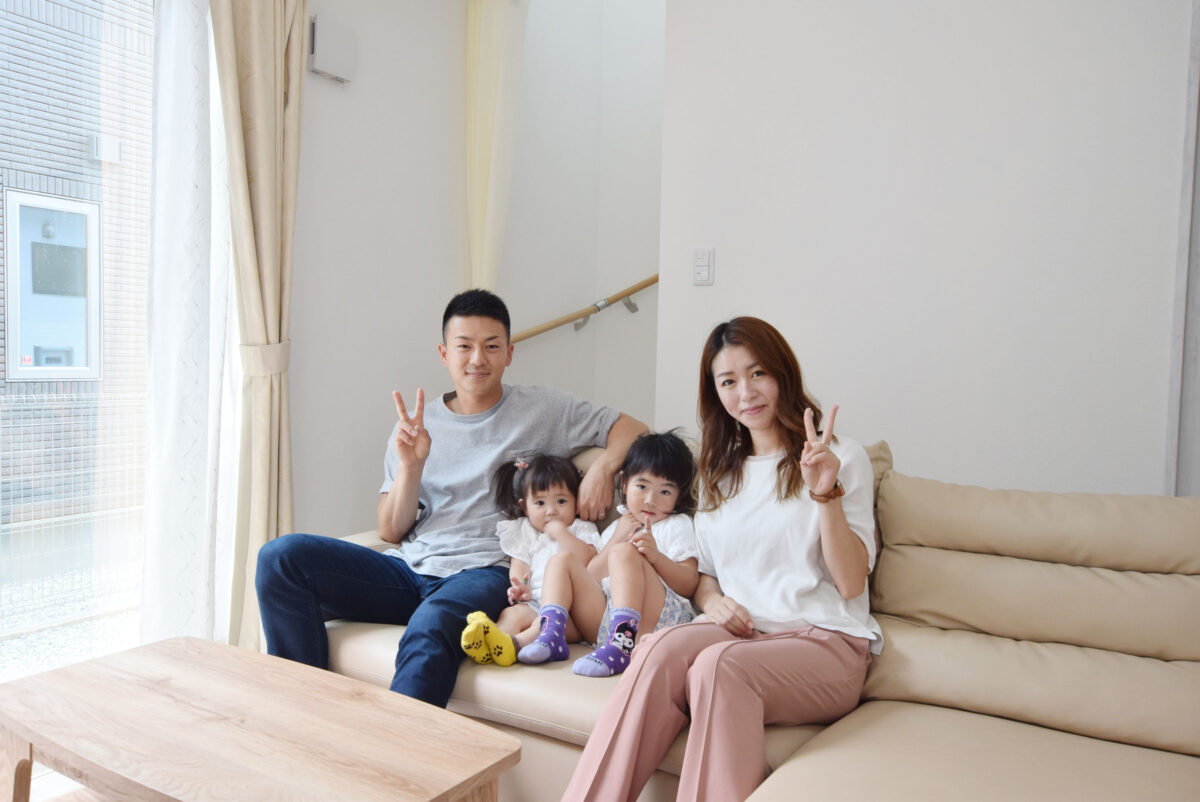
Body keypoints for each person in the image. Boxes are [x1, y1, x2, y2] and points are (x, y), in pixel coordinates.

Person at [255, 289, 647, 708]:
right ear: (444, 353)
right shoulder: (417, 425)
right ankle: (302, 715)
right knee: (281, 559)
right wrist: (411, 466)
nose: (477, 359)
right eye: (464, 346)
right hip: (409, 569)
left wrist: (604, 468)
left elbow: (633, 428)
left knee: (431, 626)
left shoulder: (544, 409)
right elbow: (390, 530)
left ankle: (399, 748)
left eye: (491, 346)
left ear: (509, 353)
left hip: (483, 572)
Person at [563, 316, 882, 801]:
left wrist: (825, 494)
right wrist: (713, 603)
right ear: (716, 394)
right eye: (728, 381)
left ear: (782, 373)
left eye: (757, 374)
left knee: (718, 666)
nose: (746, 393)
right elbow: (706, 576)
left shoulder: (841, 456)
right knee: (657, 648)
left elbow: (852, 583)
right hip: (743, 632)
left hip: (827, 644)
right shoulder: (718, 475)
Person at [464, 430, 700, 678]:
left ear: (678, 496)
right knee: (562, 560)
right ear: (624, 483)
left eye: (665, 492)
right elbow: (592, 576)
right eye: (641, 486)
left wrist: (655, 557)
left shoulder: (676, 525)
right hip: (605, 622)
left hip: (657, 621)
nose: (650, 500)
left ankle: (621, 644)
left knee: (624, 553)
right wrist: (618, 536)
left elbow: (689, 584)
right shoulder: (616, 527)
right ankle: (537, 639)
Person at [460, 454, 602, 666]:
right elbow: (520, 566)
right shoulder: (525, 531)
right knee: (511, 614)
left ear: (576, 502)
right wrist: (521, 587)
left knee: (540, 623)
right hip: (534, 601)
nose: (551, 511)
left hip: (571, 611)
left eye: (561, 501)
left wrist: (561, 534)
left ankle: (513, 645)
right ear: (525, 507)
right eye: (540, 503)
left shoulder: (580, 529)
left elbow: (589, 560)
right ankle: (492, 641)